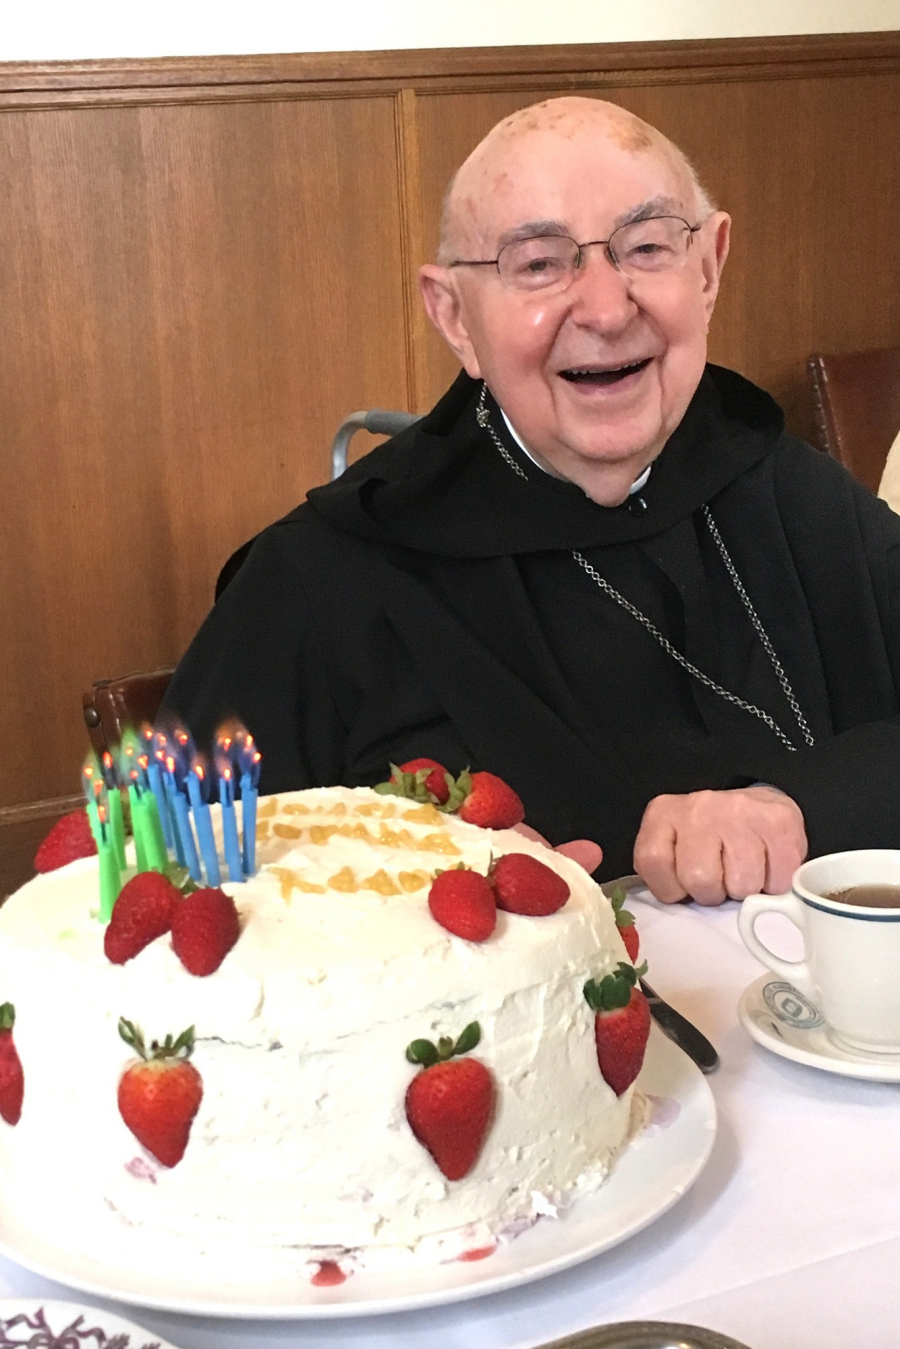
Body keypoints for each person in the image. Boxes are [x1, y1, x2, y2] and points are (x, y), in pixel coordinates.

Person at [162, 96, 900, 905]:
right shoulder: (318, 578)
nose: (608, 309)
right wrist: (403, 888)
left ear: (710, 267)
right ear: (455, 318)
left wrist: (798, 807)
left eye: (647, 246)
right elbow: (183, 890)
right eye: (539, 263)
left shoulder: (799, 496)